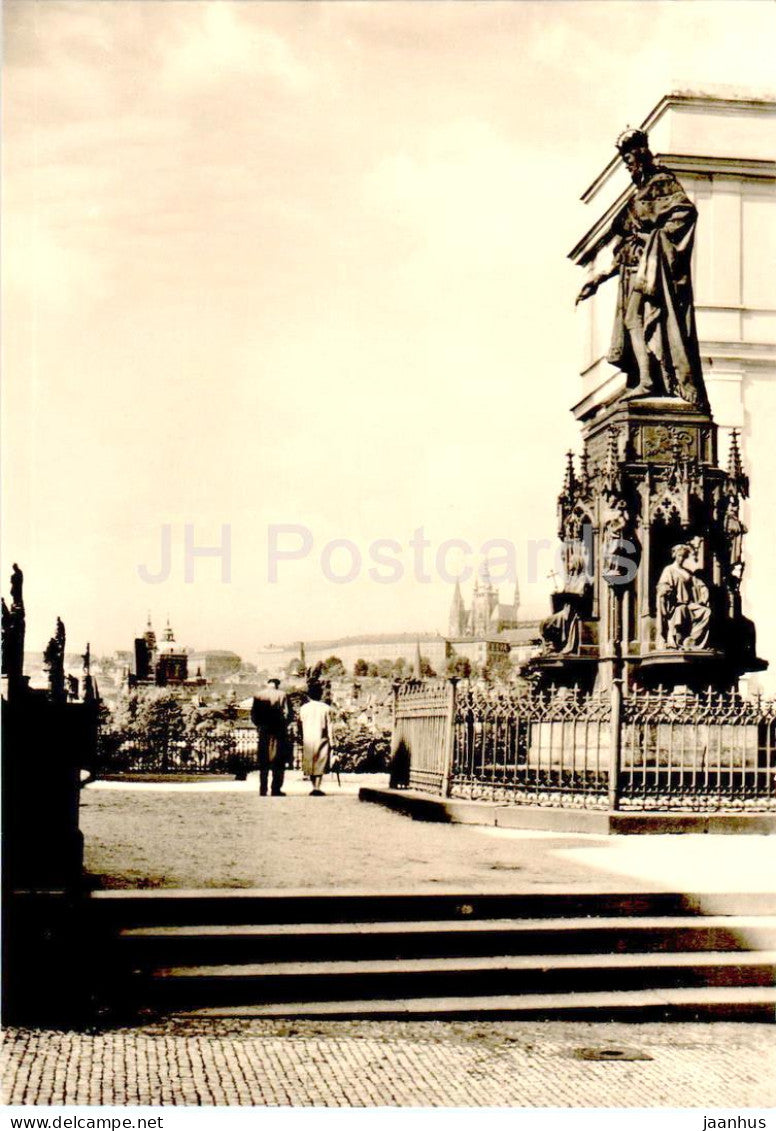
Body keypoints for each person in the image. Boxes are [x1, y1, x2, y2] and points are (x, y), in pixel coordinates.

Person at [576, 128, 709, 411]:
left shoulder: (662, 183)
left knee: (637, 320)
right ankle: (646, 378)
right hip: (634, 270)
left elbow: (685, 213)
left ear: (640, 155)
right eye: (624, 161)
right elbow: (624, 243)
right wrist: (600, 277)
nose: (627, 166)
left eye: (629, 159)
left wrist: (654, 240)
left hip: (654, 272)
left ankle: (649, 380)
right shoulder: (637, 196)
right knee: (632, 321)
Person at [655, 544, 711, 649]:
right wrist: (665, 591)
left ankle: (692, 639)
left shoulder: (687, 572)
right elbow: (663, 585)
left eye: (683, 556)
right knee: (681, 610)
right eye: (679, 556)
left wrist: (704, 591)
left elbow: (698, 584)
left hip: (689, 604)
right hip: (676, 605)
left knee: (706, 611)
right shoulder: (669, 570)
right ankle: (678, 641)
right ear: (675, 555)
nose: (681, 558)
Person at [251, 676, 292, 796]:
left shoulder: (258, 695)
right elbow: (288, 714)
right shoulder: (282, 695)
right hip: (278, 730)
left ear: (268, 684)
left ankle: (263, 789)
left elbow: (254, 714)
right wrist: (284, 725)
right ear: (277, 685)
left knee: (263, 760)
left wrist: (259, 725)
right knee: (278, 761)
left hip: (264, 730)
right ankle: (275, 789)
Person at [299, 681, 334, 796]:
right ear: (320, 694)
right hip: (321, 737)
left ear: (309, 695)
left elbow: (300, 724)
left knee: (310, 762)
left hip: (308, 738)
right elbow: (330, 726)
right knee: (320, 762)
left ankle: (314, 786)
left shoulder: (303, 708)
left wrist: (301, 736)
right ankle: (317, 787)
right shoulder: (326, 708)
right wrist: (332, 741)